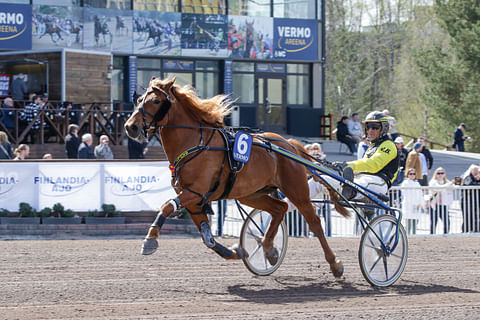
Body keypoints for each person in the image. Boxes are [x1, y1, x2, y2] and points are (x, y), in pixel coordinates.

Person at [334, 111, 399, 202]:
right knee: (323, 182)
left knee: (361, 183)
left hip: (379, 181)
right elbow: (363, 166)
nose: (370, 130)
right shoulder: (372, 147)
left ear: (385, 128)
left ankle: (351, 191)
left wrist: (347, 165)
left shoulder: (388, 145)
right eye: (368, 127)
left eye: (375, 127)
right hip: (362, 178)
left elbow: (373, 165)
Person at [428, 167, 453, 234]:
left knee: (446, 221)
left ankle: (446, 234)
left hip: (443, 204)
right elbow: (438, 188)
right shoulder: (433, 181)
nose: (440, 175)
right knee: (433, 221)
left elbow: (453, 188)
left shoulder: (447, 182)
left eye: (442, 173)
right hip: (434, 205)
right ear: (435, 174)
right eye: (438, 173)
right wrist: (449, 184)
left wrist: (456, 182)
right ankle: (432, 235)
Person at [400, 168, 424, 235]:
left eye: (414, 174)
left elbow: (420, 194)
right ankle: (407, 235)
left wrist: (420, 203)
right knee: (408, 222)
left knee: (415, 222)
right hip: (408, 204)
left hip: (416, 205)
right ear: (408, 175)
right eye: (411, 174)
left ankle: (414, 235)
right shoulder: (405, 183)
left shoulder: (417, 183)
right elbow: (404, 193)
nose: (412, 175)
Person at [461, 165, 480, 233]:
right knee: (468, 216)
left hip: (476, 200)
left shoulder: (478, 178)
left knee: (476, 215)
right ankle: (465, 230)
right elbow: (469, 185)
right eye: (474, 170)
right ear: (471, 171)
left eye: (477, 170)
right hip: (467, 201)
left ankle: (476, 229)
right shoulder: (468, 177)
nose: (476, 172)